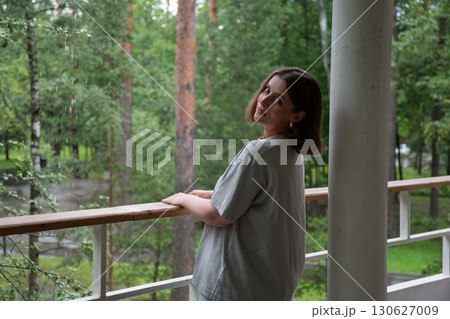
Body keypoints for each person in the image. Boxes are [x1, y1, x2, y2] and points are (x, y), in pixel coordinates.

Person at [162, 67, 323, 301]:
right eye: (267, 89)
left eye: (278, 100)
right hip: (270, 284)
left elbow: (218, 215)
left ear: (296, 116)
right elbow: (262, 197)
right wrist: (215, 193)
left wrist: (183, 198)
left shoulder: (260, 151)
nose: (264, 99)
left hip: (234, 286)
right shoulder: (293, 151)